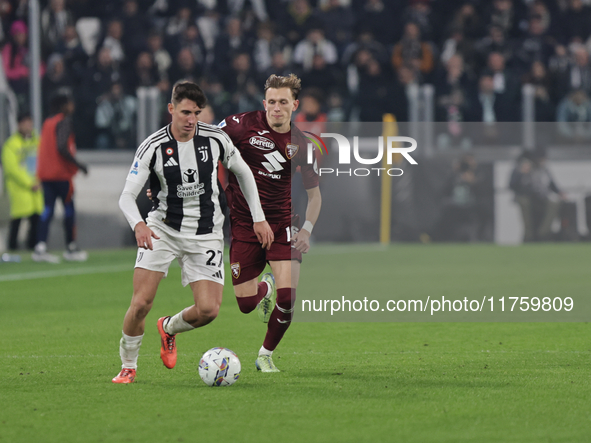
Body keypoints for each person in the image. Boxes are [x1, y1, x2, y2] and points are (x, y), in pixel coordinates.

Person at [112, 81, 273, 384]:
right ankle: (128, 365)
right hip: (162, 229)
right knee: (141, 302)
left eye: (197, 113)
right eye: (185, 112)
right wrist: (139, 224)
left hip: (206, 232)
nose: (191, 120)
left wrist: (258, 218)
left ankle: (169, 328)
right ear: (171, 109)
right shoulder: (153, 146)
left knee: (209, 310)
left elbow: (244, 172)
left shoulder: (215, 139)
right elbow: (126, 196)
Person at [219, 74, 322, 372]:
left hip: (281, 225)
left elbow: (315, 197)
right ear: (264, 103)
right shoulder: (239, 125)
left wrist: (306, 230)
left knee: (288, 298)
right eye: (272, 102)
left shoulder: (303, 145)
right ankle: (264, 288)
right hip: (244, 225)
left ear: (295, 105)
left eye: (283, 103)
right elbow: (205, 143)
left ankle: (265, 354)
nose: (276, 108)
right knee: (246, 305)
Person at [34, 94, 88, 263]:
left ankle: (40, 246)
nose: (72, 106)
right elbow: (62, 147)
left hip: (46, 174)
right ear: (64, 105)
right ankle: (71, 247)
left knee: (47, 210)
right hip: (61, 174)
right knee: (69, 210)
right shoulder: (63, 121)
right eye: (70, 103)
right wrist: (79, 165)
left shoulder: (47, 122)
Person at [1, 114, 43, 255]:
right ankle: (12, 249)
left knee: (36, 222)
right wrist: (29, 182)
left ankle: (33, 248)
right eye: (25, 124)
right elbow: (12, 168)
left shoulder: (36, 141)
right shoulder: (11, 144)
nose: (28, 127)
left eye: (30, 124)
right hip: (18, 190)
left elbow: (42, 161)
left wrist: (39, 180)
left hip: (35, 189)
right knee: (16, 222)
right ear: (19, 125)